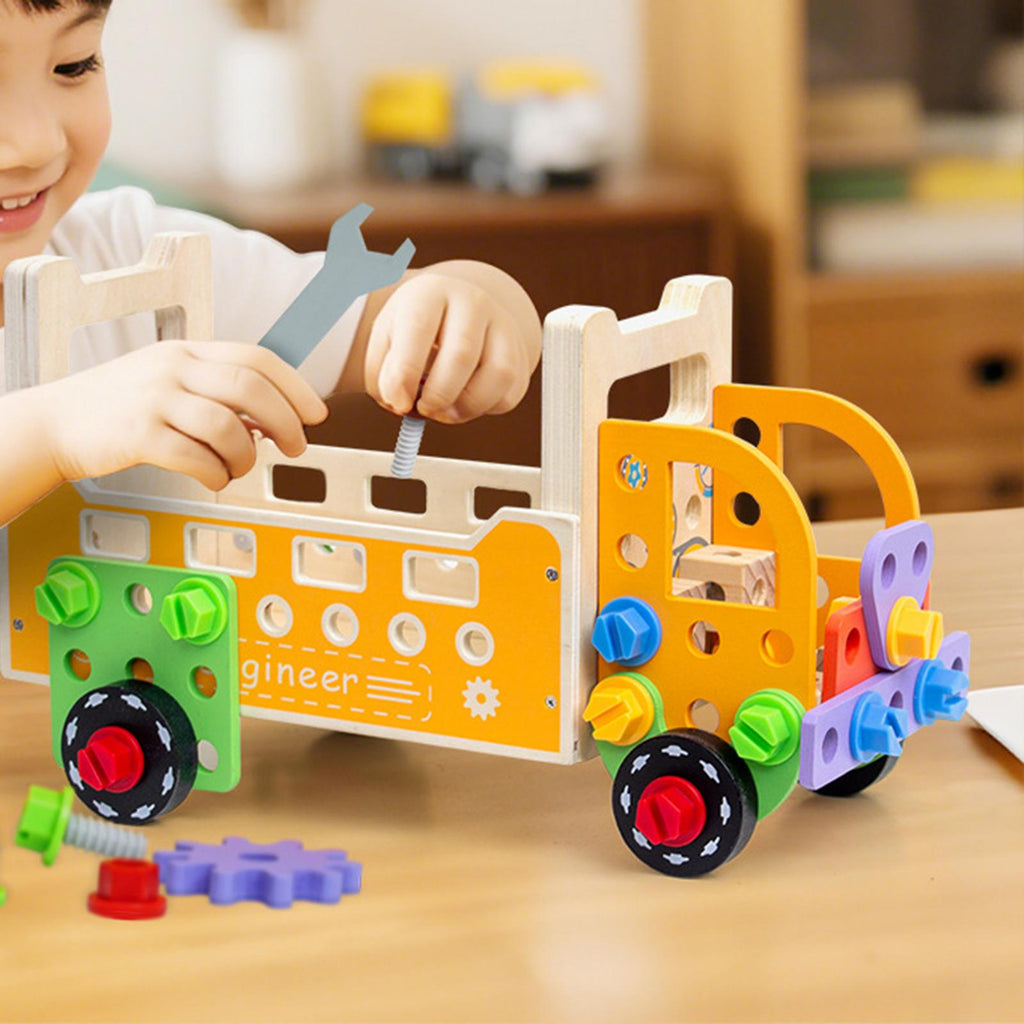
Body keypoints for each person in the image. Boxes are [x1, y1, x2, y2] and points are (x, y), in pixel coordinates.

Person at [0, 0, 542, 526]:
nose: (36, 143)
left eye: (74, 65)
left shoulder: (139, 255)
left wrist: (465, 312)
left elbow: (438, 307)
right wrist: (51, 431)